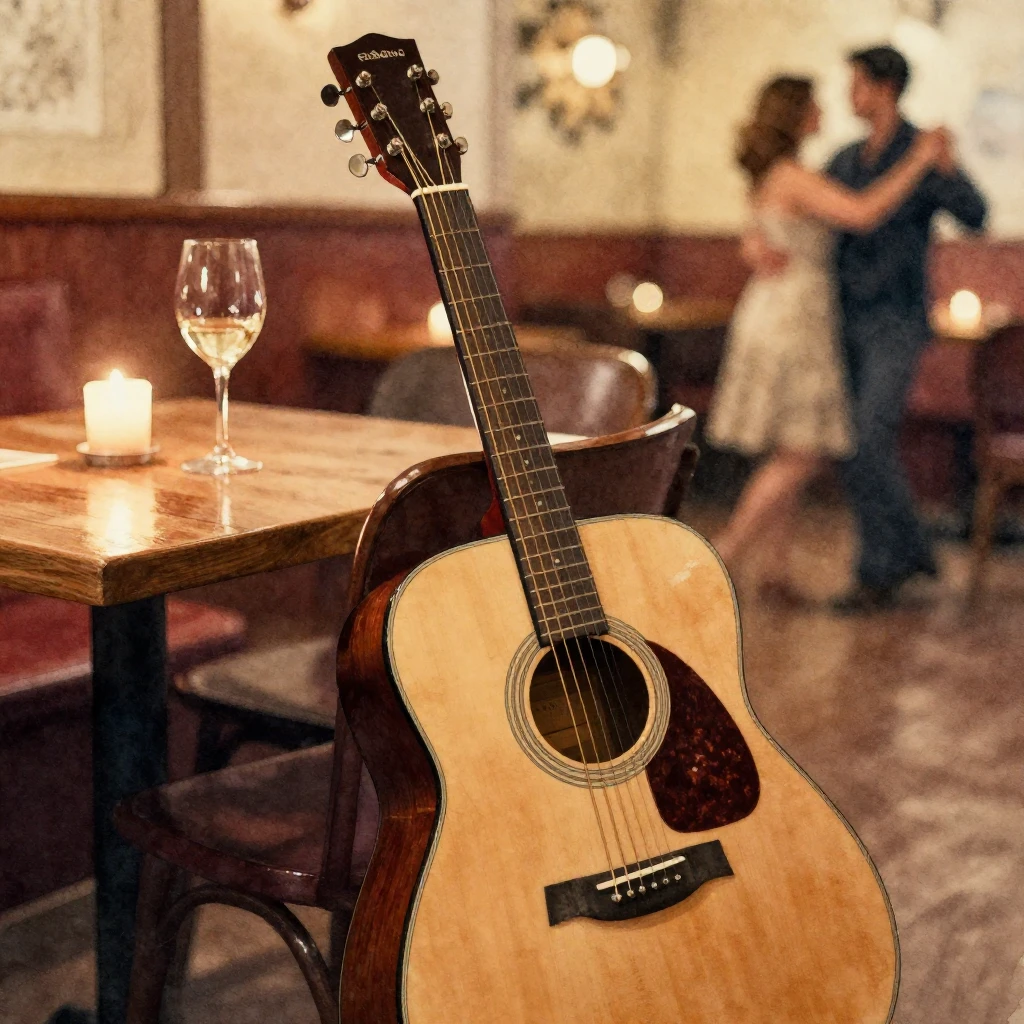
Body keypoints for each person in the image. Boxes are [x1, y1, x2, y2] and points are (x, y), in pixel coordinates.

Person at [706, 75, 948, 604]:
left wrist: (751, 243)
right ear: (796, 114)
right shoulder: (792, 175)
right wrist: (920, 159)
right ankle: (724, 554)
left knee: (789, 441)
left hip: (779, 308)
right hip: (794, 315)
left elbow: (760, 229)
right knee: (803, 450)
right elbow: (863, 214)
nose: (825, 109)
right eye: (814, 104)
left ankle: (775, 573)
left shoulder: (779, 173)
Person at [825, 45, 987, 610]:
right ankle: (907, 554)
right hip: (843, 318)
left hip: (895, 319)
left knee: (870, 436)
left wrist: (949, 164)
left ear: (884, 87)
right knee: (855, 445)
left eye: (857, 84)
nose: (850, 95)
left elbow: (975, 214)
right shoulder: (846, 159)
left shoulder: (922, 149)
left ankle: (881, 571)